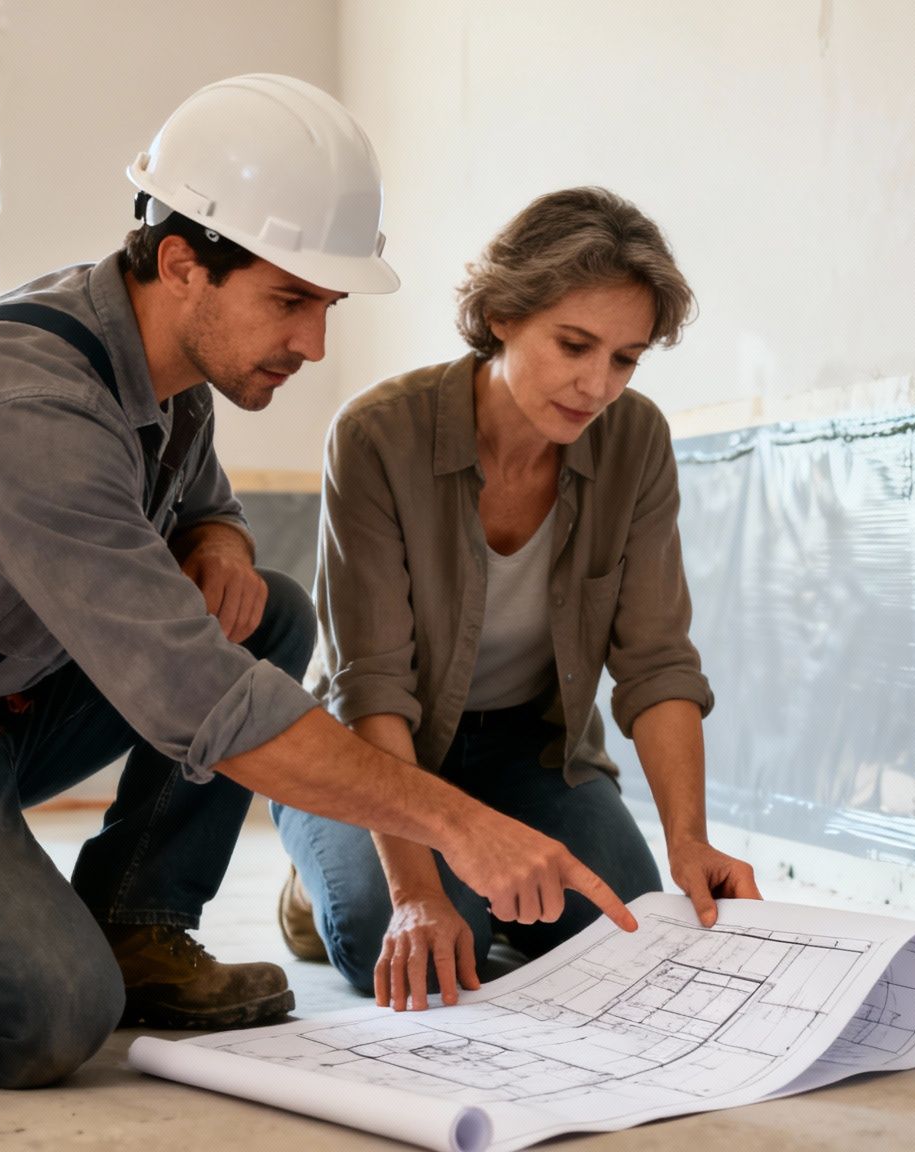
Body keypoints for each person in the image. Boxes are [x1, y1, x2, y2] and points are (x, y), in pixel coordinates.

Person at [0, 75, 634, 1090]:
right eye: (288, 301)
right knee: (47, 1018)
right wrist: (460, 828)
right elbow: (199, 699)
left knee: (266, 610)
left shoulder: (166, 372)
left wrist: (218, 540)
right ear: (182, 262)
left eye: (326, 304)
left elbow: (201, 503)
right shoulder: (22, 404)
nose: (314, 343)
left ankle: (139, 921)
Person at [274, 187, 761, 1012]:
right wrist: (418, 896)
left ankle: (495, 885)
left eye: (625, 358)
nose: (597, 385)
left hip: (530, 755)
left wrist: (689, 842)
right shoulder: (375, 436)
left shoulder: (636, 441)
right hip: (375, 749)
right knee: (397, 948)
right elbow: (373, 687)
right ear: (501, 312)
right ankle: (318, 886)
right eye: (574, 344)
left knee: (628, 940)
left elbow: (657, 663)